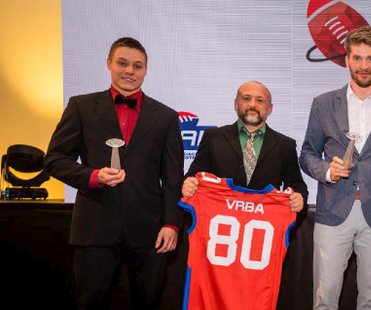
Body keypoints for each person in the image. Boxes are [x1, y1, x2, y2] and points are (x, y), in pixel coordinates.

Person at [43, 37, 184, 309]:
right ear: (109, 63)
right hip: (95, 227)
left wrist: (171, 224)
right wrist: (93, 176)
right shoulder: (81, 107)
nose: (129, 71)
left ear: (145, 70)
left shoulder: (166, 116)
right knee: (91, 303)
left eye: (137, 66)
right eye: (122, 63)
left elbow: (172, 177)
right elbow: (55, 159)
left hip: (149, 231)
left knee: (150, 303)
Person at [299, 26, 371, 309]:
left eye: (370, 58)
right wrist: (327, 171)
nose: (364, 66)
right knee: (324, 299)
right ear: (347, 60)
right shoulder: (323, 103)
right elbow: (307, 154)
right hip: (332, 212)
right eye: (358, 58)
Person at [181, 80, 307, 211]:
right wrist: (188, 183)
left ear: (270, 109)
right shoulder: (213, 138)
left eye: (260, 100)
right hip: (218, 221)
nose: (252, 104)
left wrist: (299, 197)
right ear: (236, 104)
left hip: (263, 223)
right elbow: (194, 176)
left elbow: (296, 184)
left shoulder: (285, 145)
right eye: (246, 98)